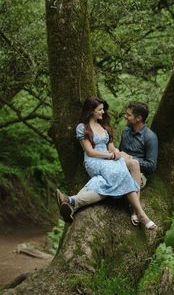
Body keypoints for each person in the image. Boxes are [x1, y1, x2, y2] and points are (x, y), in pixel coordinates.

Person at [56, 96, 157, 230]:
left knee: (131, 166)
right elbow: (90, 152)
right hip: (95, 161)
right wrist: (110, 155)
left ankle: (72, 201)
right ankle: (142, 214)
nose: (103, 112)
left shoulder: (104, 126)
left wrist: (117, 152)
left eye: (103, 109)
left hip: (108, 160)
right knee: (120, 172)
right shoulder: (82, 127)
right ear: (91, 110)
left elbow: (111, 147)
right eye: (100, 109)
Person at [119, 101, 158, 189]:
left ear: (138, 118)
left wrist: (130, 159)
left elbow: (151, 166)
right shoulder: (125, 131)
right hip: (120, 169)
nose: (126, 117)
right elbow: (120, 152)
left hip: (138, 175)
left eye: (129, 115)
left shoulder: (150, 137)